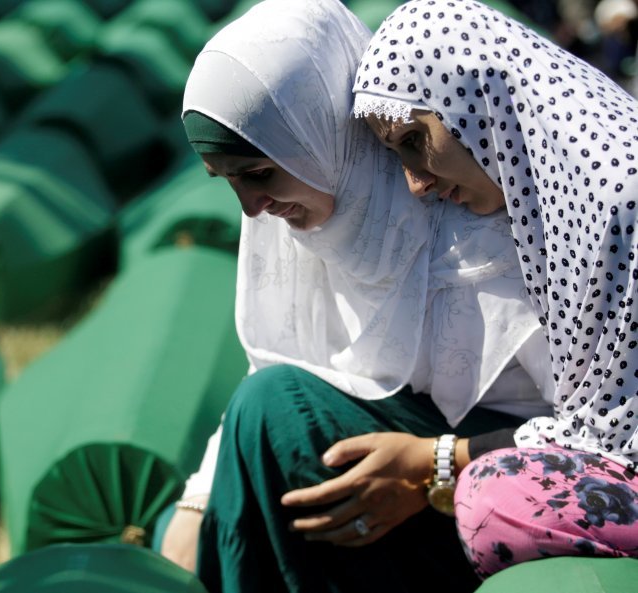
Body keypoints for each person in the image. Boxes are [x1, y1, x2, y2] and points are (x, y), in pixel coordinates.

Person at [162, 1, 558, 591]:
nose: (250, 208)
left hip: (510, 492)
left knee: (274, 410)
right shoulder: (303, 225)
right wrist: (197, 505)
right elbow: (275, 360)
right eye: (229, 182)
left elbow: (593, 430)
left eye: (259, 173)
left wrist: (437, 466)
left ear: (320, 130)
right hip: (400, 488)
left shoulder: (477, 220)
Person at [352, 0, 638, 577]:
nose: (416, 184)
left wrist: (443, 460)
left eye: (415, 140)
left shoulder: (618, 197)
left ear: (476, 100)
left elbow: (613, 437)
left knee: (496, 500)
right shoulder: (555, 198)